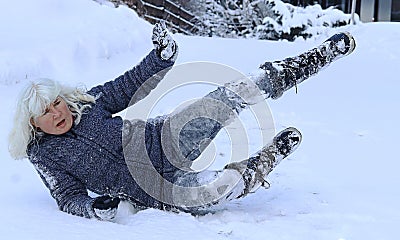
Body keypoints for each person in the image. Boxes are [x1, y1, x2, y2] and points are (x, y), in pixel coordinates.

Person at [8, 21, 356, 221]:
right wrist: (94, 208)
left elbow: (129, 85)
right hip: (152, 190)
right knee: (212, 195)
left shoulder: (86, 103)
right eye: (46, 112)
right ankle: (260, 164)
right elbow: (67, 196)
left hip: (166, 139)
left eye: (56, 103)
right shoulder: (44, 155)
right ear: (33, 124)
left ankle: (302, 64)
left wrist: (160, 58)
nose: (58, 114)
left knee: (227, 97)